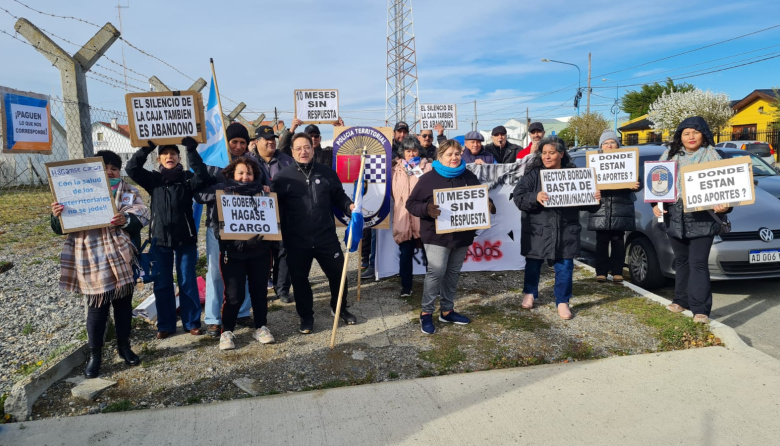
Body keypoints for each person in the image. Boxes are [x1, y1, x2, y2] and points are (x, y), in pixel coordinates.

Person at [50, 150, 150, 378]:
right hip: (91, 259)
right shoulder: (74, 192)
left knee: (124, 305)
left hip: (122, 257)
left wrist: (126, 220)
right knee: (97, 308)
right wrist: (57, 215)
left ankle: (124, 346)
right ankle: (95, 355)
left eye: (114, 168)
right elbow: (58, 228)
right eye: (104, 168)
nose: (109, 172)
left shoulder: (128, 192)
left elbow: (142, 215)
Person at [126, 137, 213, 339]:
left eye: (173, 154)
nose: (169, 157)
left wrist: (192, 151)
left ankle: (192, 322)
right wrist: (146, 148)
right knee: (163, 283)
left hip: (185, 240)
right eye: (164, 154)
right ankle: (165, 325)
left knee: (187, 281)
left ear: (178, 157)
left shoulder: (187, 179)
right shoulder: (153, 180)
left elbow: (203, 176)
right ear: (159, 159)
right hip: (159, 241)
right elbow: (132, 169)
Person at [406, 140, 495, 334]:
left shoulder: (469, 176)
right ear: (440, 156)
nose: (454, 158)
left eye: (457, 154)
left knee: (453, 273)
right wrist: (426, 209)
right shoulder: (428, 179)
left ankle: (447, 311)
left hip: (462, 236)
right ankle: (426, 313)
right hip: (436, 235)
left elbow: (478, 198)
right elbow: (411, 204)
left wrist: (488, 203)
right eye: (449, 154)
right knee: (436, 273)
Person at [272, 132, 358, 334]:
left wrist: (350, 206)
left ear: (313, 149)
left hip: (325, 238)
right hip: (296, 241)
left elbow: (339, 196)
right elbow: (273, 208)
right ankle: (306, 317)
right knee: (300, 281)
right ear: (292, 152)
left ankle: (339, 309)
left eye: (307, 147)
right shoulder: (282, 178)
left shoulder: (326, 172)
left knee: (338, 274)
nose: (304, 151)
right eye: (299, 148)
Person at [653, 116, 730, 324]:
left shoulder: (713, 156)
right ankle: (680, 300)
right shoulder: (668, 156)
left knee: (698, 263)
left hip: (702, 217)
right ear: (680, 137)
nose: (691, 136)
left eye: (695, 132)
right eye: (686, 133)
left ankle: (701, 309)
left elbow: (726, 191)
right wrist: (655, 204)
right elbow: (657, 183)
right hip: (674, 217)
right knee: (681, 261)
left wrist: (725, 205)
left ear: (703, 134)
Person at [513, 136, 600, 320]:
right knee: (533, 264)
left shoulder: (574, 174)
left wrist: (594, 198)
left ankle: (562, 301)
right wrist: (535, 197)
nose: (547, 157)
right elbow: (518, 197)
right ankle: (530, 292)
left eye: (551, 153)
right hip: (538, 229)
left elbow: (589, 205)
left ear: (561, 154)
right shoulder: (533, 174)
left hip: (566, 229)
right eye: (544, 153)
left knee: (565, 266)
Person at [195, 157, 275, 350]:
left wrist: (267, 192)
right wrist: (239, 242)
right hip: (233, 253)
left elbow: (272, 223)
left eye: (249, 173)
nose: (245, 177)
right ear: (232, 174)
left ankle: (261, 327)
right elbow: (216, 225)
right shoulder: (222, 193)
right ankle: (227, 331)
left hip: (260, 252)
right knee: (233, 295)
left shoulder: (264, 194)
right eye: (241, 172)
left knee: (259, 292)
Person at [199, 122, 258, 337]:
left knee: (243, 271)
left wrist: (263, 187)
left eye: (243, 142)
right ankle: (214, 319)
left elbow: (263, 187)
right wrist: (222, 190)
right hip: (218, 227)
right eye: (234, 142)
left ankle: (242, 312)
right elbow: (199, 194)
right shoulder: (213, 166)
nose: (239, 146)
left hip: (246, 227)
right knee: (215, 272)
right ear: (227, 142)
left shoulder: (252, 165)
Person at [588, 130, 639, 283]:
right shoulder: (594, 162)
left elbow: (638, 180)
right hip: (601, 209)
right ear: (601, 146)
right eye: (606, 143)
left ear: (618, 145)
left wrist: (637, 184)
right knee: (601, 241)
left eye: (612, 142)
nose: (609, 145)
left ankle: (617, 272)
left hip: (620, 208)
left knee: (618, 241)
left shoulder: (628, 161)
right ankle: (601, 272)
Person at [254, 124, 295, 303]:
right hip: (258, 216)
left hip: (283, 212)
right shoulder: (248, 161)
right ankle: (259, 288)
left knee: (284, 252)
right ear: (257, 142)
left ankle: (282, 289)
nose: (271, 142)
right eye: (267, 140)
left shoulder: (287, 161)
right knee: (261, 253)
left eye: (273, 139)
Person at [392, 136, 432, 297]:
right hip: (403, 217)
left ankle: (433, 287)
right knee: (405, 254)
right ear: (403, 152)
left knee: (431, 255)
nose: (411, 153)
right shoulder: (395, 169)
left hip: (423, 217)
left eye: (414, 150)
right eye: (408, 150)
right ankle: (406, 287)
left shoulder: (428, 167)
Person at [278, 117, 344, 167]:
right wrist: (291, 130)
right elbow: (281, 150)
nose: (313, 138)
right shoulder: (297, 153)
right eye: (310, 136)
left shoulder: (328, 152)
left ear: (320, 138)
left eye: (316, 136)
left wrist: (342, 130)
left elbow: (345, 151)